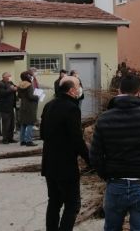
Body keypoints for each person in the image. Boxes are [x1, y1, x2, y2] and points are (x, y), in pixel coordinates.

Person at [90, 75, 140, 231]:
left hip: (115, 183)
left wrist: (107, 176)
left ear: (119, 91)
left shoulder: (104, 119)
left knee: (111, 228)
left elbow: (95, 156)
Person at [41, 77, 89, 231]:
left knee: (54, 201)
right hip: (65, 165)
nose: (80, 88)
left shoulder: (49, 105)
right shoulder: (72, 108)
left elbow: (42, 134)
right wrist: (90, 159)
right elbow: (77, 139)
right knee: (73, 203)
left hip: (49, 162)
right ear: (71, 90)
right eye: (78, 86)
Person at [17, 71, 39, 147]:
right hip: (30, 106)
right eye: (30, 75)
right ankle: (29, 141)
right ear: (27, 76)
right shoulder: (29, 85)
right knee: (30, 123)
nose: (31, 76)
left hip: (23, 105)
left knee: (23, 123)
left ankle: (22, 141)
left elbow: (19, 96)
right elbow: (31, 96)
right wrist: (38, 97)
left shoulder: (20, 84)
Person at [0, 72, 18, 144]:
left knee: (12, 124)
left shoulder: (11, 82)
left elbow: (15, 87)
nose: (10, 77)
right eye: (9, 76)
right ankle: (5, 139)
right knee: (6, 124)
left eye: (10, 76)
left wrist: (15, 88)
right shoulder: (0, 84)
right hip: (5, 107)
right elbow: (2, 93)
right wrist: (12, 89)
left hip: (11, 106)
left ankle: (10, 138)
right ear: (4, 77)